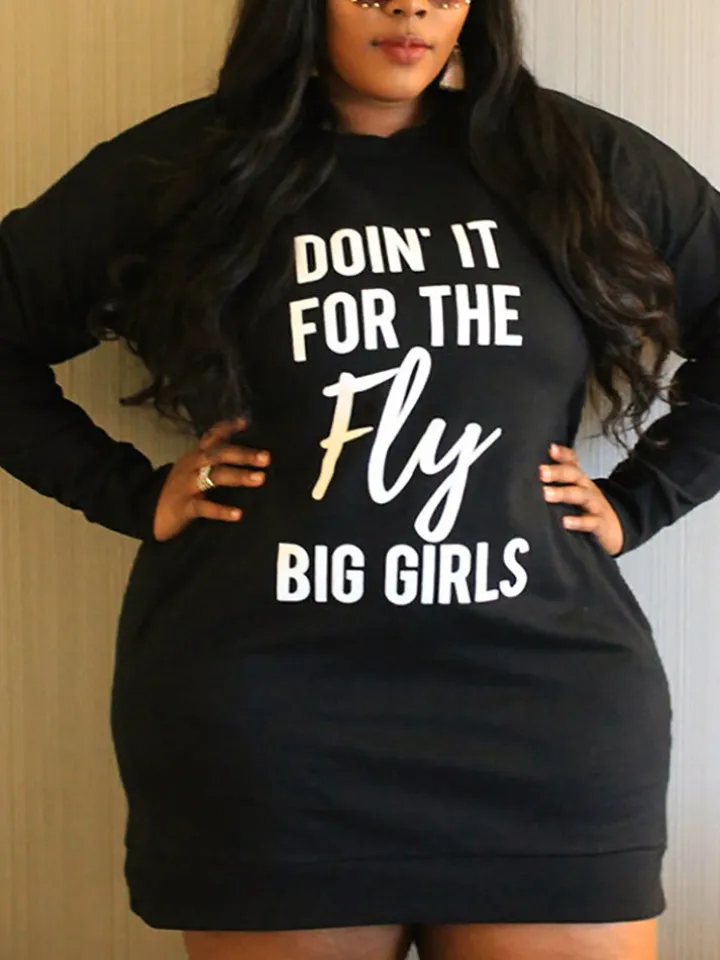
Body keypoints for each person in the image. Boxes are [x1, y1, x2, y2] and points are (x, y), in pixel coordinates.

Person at [1, 0, 719, 957]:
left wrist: (640, 502)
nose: (410, 5)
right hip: (270, 725)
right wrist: (128, 493)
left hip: (547, 715)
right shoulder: (189, 164)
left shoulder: (575, 158)